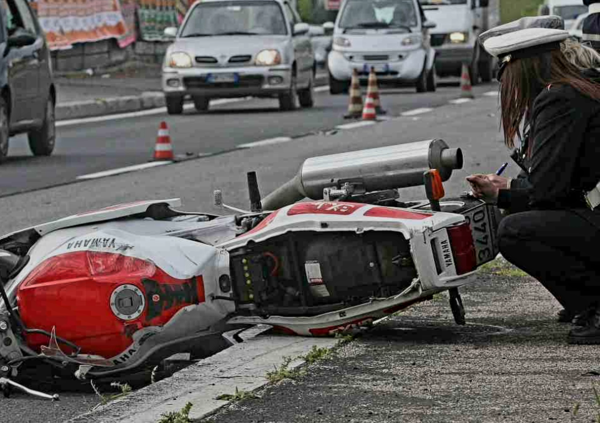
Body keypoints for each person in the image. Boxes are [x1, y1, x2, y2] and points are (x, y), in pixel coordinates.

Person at [466, 26, 600, 344]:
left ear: (525, 68)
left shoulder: (561, 98)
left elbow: (547, 191)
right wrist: (511, 185)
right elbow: (567, 181)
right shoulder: (581, 88)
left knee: (514, 230)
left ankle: (593, 305)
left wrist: (501, 193)